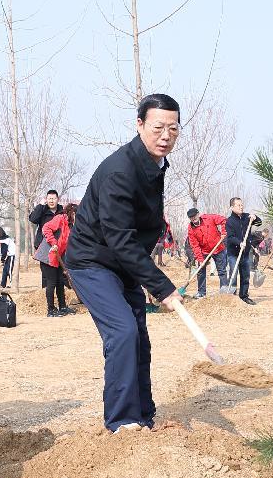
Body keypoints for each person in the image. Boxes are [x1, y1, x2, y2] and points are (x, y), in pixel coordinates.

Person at [64, 93, 183, 433]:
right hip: (91, 262)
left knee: (139, 339)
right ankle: (122, 420)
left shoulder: (154, 166)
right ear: (140, 125)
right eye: (158, 127)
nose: (165, 136)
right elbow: (120, 238)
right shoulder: (120, 170)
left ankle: (143, 414)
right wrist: (161, 287)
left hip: (122, 264)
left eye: (173, 129)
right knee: (123, 331)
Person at [40, 202, 78, 317]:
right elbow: (46, 228)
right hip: (48, 255)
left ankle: (62, 307)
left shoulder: (70, 225)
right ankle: (51, 310)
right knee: (51, 282)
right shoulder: (60, 219)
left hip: (58, 257)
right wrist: (53, 243)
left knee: (60, 282)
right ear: (72, 213)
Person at [225, 197, 262, 305]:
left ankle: (244, 296)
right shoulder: (230, 221)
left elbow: (259, 223)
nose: (241, 207)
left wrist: (255, 217)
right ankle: (231, 297)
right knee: (233, 274)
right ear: (232, 207)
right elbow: (230, 237)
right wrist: (239, 243)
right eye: (239, 205)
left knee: (245, 275)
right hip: (234, 253)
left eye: (242, 205)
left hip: (245, 253)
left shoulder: (247, 217)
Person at [186, 207, 228, 299]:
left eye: (194, 216)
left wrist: (224, 232)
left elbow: (224, 220)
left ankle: (224, 291)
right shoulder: (191, 229)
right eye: (191, 218)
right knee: (200, 271)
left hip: (218, 248)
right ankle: (201, 292)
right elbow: (194, 245)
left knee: (222, 271)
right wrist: (200, 259)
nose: (193, 219)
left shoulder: (208, 218)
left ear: (198, 214)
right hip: (204, 251)